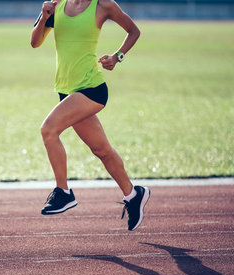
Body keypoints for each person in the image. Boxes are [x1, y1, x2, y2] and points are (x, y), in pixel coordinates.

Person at [31, 0, 150, 231]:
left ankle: (63, 192)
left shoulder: (103, 5)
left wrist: (117, 57)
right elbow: (35, 42)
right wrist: (44, 16)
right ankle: (134, 194)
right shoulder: (56, 5)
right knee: (102, 150)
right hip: (66, 91)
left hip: (91, 89)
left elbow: (133, 31)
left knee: (48, 130)